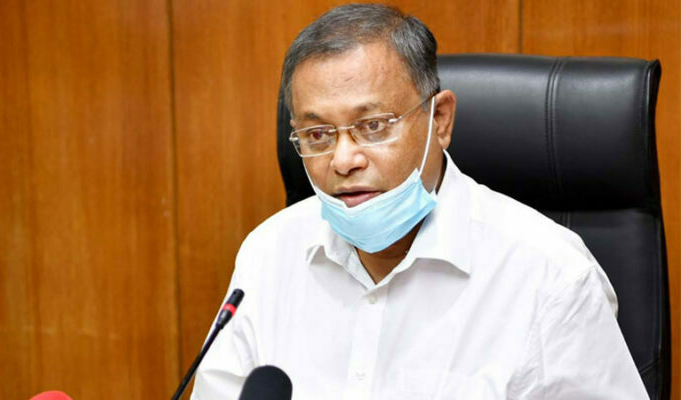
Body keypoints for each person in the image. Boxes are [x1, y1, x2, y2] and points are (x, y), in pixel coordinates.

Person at [191, 4, 648, 399]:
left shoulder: (551, 278)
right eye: (318, 134)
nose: (343, 159)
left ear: (440, 120)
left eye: (373, 126)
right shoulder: (268, 255)